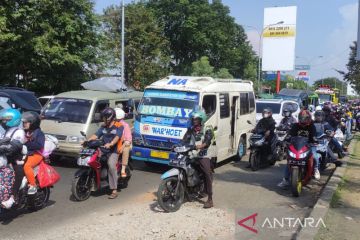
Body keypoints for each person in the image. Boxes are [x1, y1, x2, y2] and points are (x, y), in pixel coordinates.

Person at [87, 108, 123, 199]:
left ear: (110, 118)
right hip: (103, 149)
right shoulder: (103, 126)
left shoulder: (119, 126)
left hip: (113, 150)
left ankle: (114, 189)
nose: (103, 119)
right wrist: (87, 141)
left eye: (104, 117)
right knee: (92, 159)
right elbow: (96, 135)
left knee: (111, 165)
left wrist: (111, 144)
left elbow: (117, 137)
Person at [182, 108, 215, 208]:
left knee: (207, 173)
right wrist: (176, 145)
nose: (194, 121)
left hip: (204, 154)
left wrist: (197, 147)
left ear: (201, 120)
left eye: (196, 119)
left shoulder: (207, 128)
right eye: (193, 119)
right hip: (193, 153)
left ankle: (210, 199)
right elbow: (184, 140)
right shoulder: (191, 129)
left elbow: (207, 142)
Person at [278, 110, 319, 188]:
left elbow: (314, 136)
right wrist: (286, 139)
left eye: (305, 118)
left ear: (309, 118)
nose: (303, 120)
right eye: (302, 118)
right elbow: (290, 134)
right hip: (297, 146)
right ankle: (285, 180)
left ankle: (316, 170)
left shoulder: (311, 126)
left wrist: (315, 140)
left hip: (309, 145)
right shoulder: (295, 125)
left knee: (315, 157)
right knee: (289, 160)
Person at [0, 109, 25, 208]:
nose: (3, 122)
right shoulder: (6, 131)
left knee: (18, 173)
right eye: (2, 120)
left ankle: (12, 198)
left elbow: (15, 146)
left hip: (16, 159)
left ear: (13, 120)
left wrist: (3, 147)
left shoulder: (19, 132)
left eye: (5, 120)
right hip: (5, 158)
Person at [22, 111, 45, 195]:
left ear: (33, 123)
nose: (24, 124)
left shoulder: (39, 133)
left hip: (36, 154)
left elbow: (39, 145)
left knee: (27, 166)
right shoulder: (24, 132)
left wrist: (26, 143)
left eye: (26, 122)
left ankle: (32, 185)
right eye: (23, 122)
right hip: (25, 153)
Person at [114, 107, 132, 177]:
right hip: (114, 142)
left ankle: (123, 169)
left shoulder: (125, 125)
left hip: (124, 143)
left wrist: (122, 147)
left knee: (125, 149)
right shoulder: (112, 124)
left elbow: (128, 139)